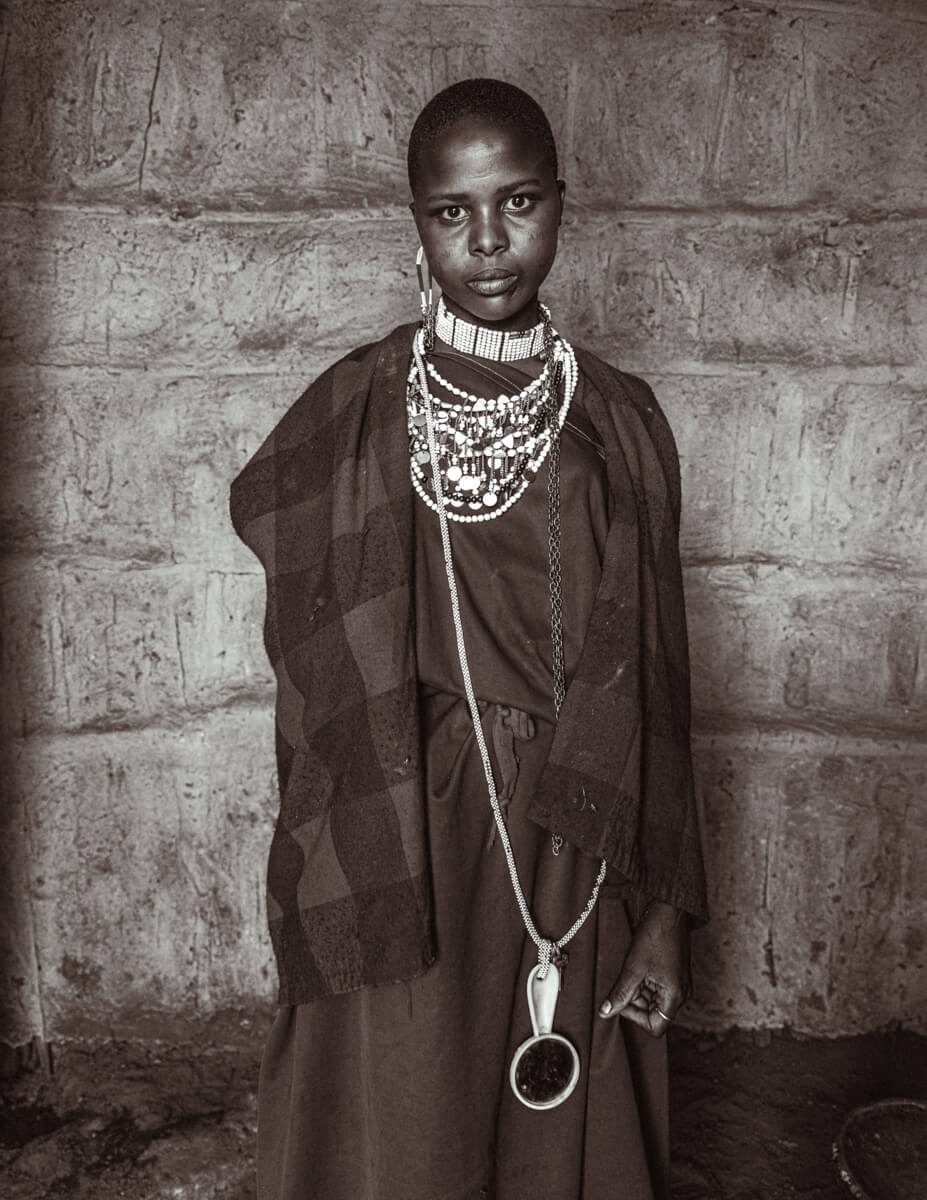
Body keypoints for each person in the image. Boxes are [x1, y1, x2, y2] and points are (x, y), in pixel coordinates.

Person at [230, 77, 708, 1200]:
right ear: (416, 228)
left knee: (551, 1134)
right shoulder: (358, 406)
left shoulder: (620, 420)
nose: (490, 243)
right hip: (403, 826)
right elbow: (314, 622)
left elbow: (661, 691)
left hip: (568, 830)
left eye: (520, 202)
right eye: (454, 212)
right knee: (405, 1122)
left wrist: (666, 912)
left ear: (561, 206)